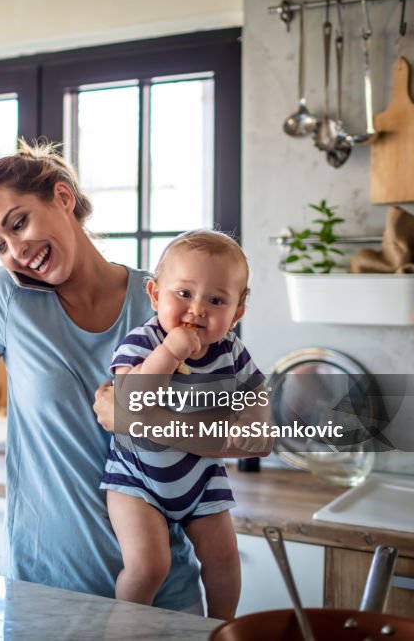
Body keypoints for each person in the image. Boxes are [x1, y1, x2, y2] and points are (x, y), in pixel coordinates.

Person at [0, 140, 263, 612]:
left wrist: (139, 419)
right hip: (44, 588)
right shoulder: (6, 298)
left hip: (161, 597)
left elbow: (251, 435)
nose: (17, 251)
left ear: (63, 198)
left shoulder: (169, 302)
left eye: (19, 222)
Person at [102, 230, 262, 619]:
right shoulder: (142, 342)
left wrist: (248, 421)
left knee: (225, 560)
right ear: (155, 295)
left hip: (203, 479)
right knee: (149, 566)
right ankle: (125, 629)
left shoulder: (232, 353)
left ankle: (222, 627)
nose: (197, 310)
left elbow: (258, 401)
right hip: (137, 479)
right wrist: (170, 352)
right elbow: (130, 403)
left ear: (236, 313)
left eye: (216, 300)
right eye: (184, 294)